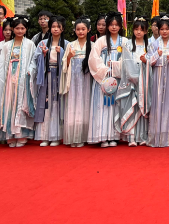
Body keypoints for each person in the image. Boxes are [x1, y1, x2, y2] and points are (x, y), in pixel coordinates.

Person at [0, 15, 36, 147]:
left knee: (20, 104)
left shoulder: (30, 44)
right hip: (9, 79)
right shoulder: (7, 45)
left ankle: (21, 135)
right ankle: (10, 134)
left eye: (22, 28)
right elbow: (1, 64)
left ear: (26, 29)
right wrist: (1, 79)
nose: (20, 31)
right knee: (9, 104)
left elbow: (33, 61)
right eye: (17, 28)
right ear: (13, 29)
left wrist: (30, 70)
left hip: (23, 79)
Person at [87, 12, 126, 148]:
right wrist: (105, 70)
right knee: (103, 106)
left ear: (121, 26)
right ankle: (103, 136)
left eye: (116, 25)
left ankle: (115, 136)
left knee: (116, 106)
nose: (114, 27)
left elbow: (127, 59)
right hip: (104, 79)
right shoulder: (101, 41)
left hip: (118, 79)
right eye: (111, 25)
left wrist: (116, 68)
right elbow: (93, 59)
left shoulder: (125, 41)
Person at [31, 16, 67, 147]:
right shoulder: (43, 43)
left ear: (63, 29)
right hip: (46, 76)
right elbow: (35, 59)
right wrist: (43, 55)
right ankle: (44, 135)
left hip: (58, 77)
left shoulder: (66, 44)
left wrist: (61, 53)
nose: (55, 29)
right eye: (53, 27)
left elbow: (69, 62)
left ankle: (56, 136)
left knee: (57, 105)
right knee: (45, 105)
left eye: (58, 27)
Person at [144, 17, 169, 147]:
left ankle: (168, 134)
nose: (164, 32)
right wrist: (156, 55)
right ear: (158, 30)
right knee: (157, 103)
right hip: (157, 76)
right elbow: (148, 62)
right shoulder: (153, 44)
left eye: (167, 29)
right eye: (162, 29)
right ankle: (155, 135)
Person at [60, 16, 93, 148]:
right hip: (73, 79)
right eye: (78, 29)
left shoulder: (93, 45)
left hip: (86, 79)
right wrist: (69, 57)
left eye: (83, 29)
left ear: (88, 30)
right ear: (74, 30)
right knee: (73, 104)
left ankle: (84, 136)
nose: (80, 32)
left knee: (85, 104)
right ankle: (73, 136)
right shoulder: (70, 45)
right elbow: (65, 65)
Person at [121, 17, 150, 146]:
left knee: (143, 107)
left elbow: (152, 62)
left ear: (146, 31)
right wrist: (134, 77)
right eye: (136, 29)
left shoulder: (149, 46)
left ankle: (142, 136)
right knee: (132, 106)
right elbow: (126, 63)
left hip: (145, 80)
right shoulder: (127, 45)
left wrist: (146, 62)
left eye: (141, 30)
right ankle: (131, 136)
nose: (138, 32)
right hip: (131, 81)